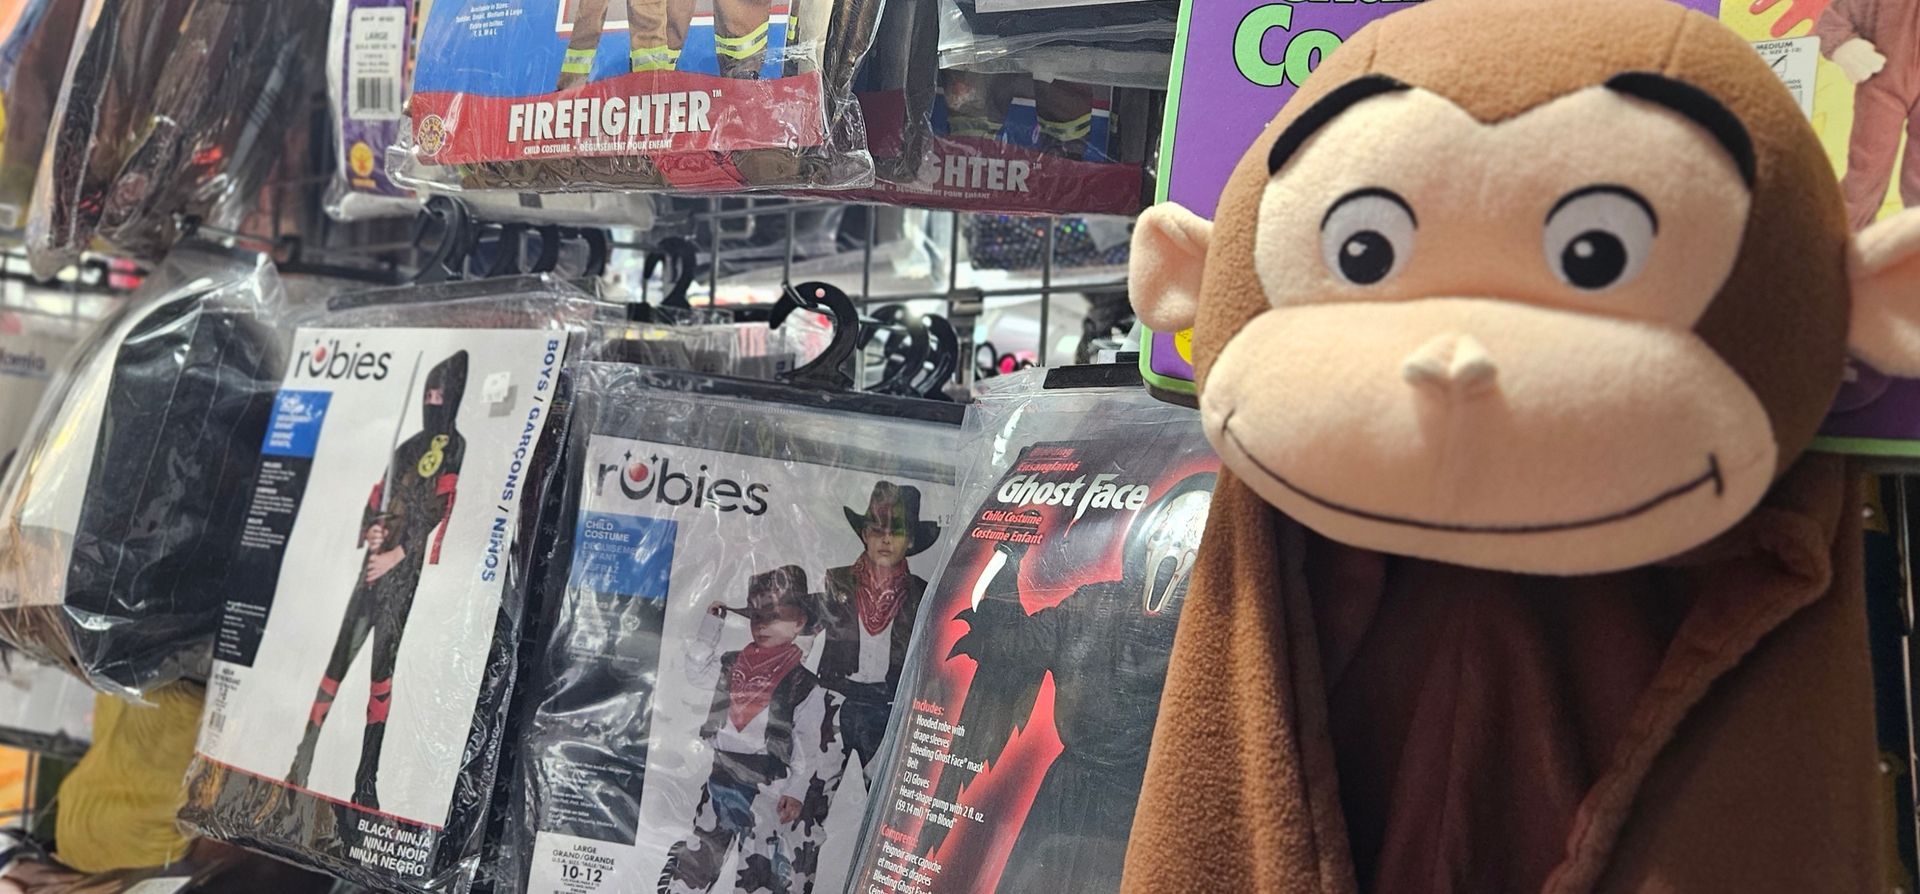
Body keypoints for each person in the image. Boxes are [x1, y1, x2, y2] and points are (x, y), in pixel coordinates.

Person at [926, 473, 1213, 893]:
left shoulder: (1216, 635)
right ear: (1148, 535)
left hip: (1142, 814)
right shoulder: (1094, 602)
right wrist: (1007, 562)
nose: (1174, 548)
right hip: (1068, 798)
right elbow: (1012, 645)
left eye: (1194, 536)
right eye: (1167, 530)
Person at [285, 351, 467, 811]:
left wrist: (398, 556)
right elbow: (377, 494)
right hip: (369, 577)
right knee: (334, 667)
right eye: (428, 393)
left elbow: (437, 512)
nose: (431, 400)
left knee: (380, 680)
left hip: (401, 582)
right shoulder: (407, 446)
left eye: (438, 393)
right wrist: (370, 528)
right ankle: (299, 761)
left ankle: (366, 782)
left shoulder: (456, 447)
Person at [666, 565, 828, 894]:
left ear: (799, 623)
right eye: (756, 617)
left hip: (767, 781)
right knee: (701, 853)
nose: (764, 625)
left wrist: (796, 791)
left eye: (776, 616)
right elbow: (697, 673)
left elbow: (810, 744)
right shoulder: (730, 664)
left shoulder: (804, 685)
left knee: (759, 863)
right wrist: (711, 628)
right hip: (722, 773)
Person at [1816, 0, 1920, 230]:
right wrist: (1842, 44)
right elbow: (1830, 19)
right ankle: (1848, 237)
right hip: (1881, 80)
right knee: (1867, 167)